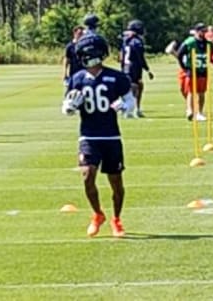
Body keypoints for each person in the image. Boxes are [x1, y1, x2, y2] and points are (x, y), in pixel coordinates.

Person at [61, 34, 134, 238]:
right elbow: (66, 106)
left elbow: (131, 102)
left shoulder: (117, 77)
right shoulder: (78, 79)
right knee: (87, 174)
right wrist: (70, 107)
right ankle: (97, 214)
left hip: (111, 136)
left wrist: (125, 106)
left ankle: (116, 219)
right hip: (88, 135)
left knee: (116, 183)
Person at [177, 23, 213, 121]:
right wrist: (184, 67)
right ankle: (190, 110)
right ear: (197, 31)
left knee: (201, 93)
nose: (204, 33)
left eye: (205, 31)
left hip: (203, 70)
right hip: (192, 70)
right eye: (202, 31)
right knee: (191, 92)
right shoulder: (190, 42)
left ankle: (200, 112)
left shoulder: (208, 44)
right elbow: (179, 54)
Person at [120, 20, 154, 118]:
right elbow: (140, 57)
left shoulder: (126, 40)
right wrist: (147, 69)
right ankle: (128, 109)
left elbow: (121, 56)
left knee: (136, 86)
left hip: (126, 67)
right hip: (133, 67)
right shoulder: (137, 41)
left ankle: (135, 109)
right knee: (134, 89)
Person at [62, 25, 84, 92]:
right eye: (79, 34)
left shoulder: (85, 45)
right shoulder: (70, 46)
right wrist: (65, 73)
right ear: (74, 33)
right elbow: (66, 59)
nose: (81, 35)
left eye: (82, 34)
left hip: (84, 73)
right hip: (74, 73)